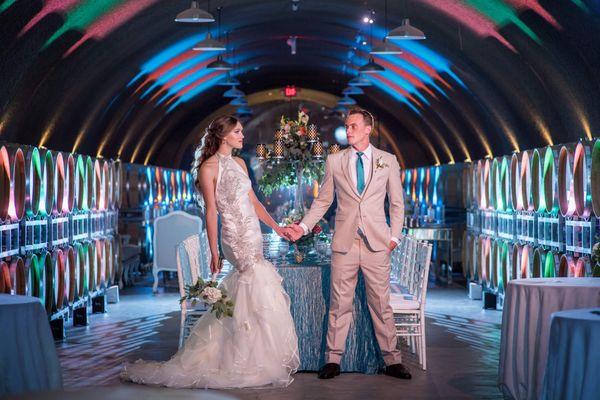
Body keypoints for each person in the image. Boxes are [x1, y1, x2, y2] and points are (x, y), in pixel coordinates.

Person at [122, 115, 299, 389]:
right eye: (238, 131)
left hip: (252, 231)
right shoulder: (208, 167)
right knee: (254, 278)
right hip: (234, 235)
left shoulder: (240, 163)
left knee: (252, 285)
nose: (242, 135)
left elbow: (254, 203)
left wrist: (277, 228)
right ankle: (245, 358)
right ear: (224, 135)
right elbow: (212, 211)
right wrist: (214, 250)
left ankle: (251, 352)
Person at [285, 107, 410, 380]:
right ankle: (333, 359)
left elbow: (397, 203)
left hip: (378, 243)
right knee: (339, 303)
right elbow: (323, 201)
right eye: (347, 125)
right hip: (345, 243)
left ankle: (392, 361)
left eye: (353, 126)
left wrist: (394, 238)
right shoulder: (335, 161)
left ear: (368, 129)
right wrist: (304, 227)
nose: (348, 130)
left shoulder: (387, 160)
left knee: (381, 304)